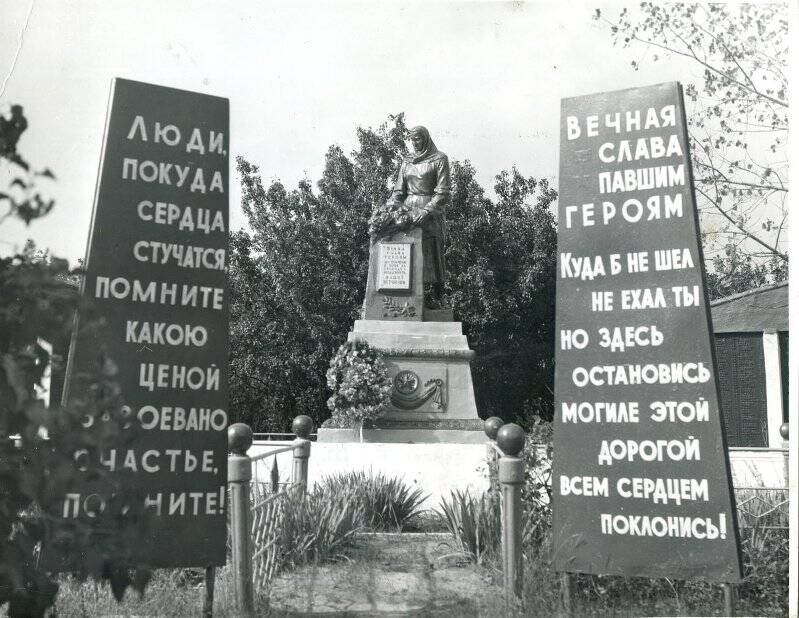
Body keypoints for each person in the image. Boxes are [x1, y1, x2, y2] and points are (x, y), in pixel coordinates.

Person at [382, 125, 450, 305]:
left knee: (431, 256)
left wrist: (427, 210)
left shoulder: (439, 159)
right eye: (411, 139)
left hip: (429, 213)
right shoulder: (407, 161)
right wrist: (388, 209)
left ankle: (436, 298)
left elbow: (443, 192)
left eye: (417, 138)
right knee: (406, 255)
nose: (414, 142)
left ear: (426, 138)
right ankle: (405, 299)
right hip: (407, 213)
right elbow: (398, 191)